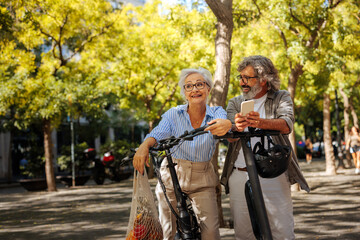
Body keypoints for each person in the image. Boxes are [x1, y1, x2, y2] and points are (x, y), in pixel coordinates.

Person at [133, 67, 232, 240]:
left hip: (203, 178)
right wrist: (144, 147)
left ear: (208, 89)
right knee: (166, 232)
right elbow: (158, 133)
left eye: (200, 84)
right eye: (189, 86)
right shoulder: (173, 114)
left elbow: (224, 123)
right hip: (172, 175)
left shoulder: (216, 112)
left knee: (211, 233)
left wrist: (227, 125)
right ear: (184, 93)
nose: (195, 89)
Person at [220, 55, 310, 240]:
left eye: (247, 78)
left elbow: (286, 125)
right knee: (244, 233)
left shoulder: (281, 97)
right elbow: (229, 137)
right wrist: (235, 127)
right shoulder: (235, 103)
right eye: (241, 77)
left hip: (273, 173)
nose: (242, 82)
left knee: (281, 230)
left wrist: (260, 122)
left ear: (263, 79)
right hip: (240, 174)